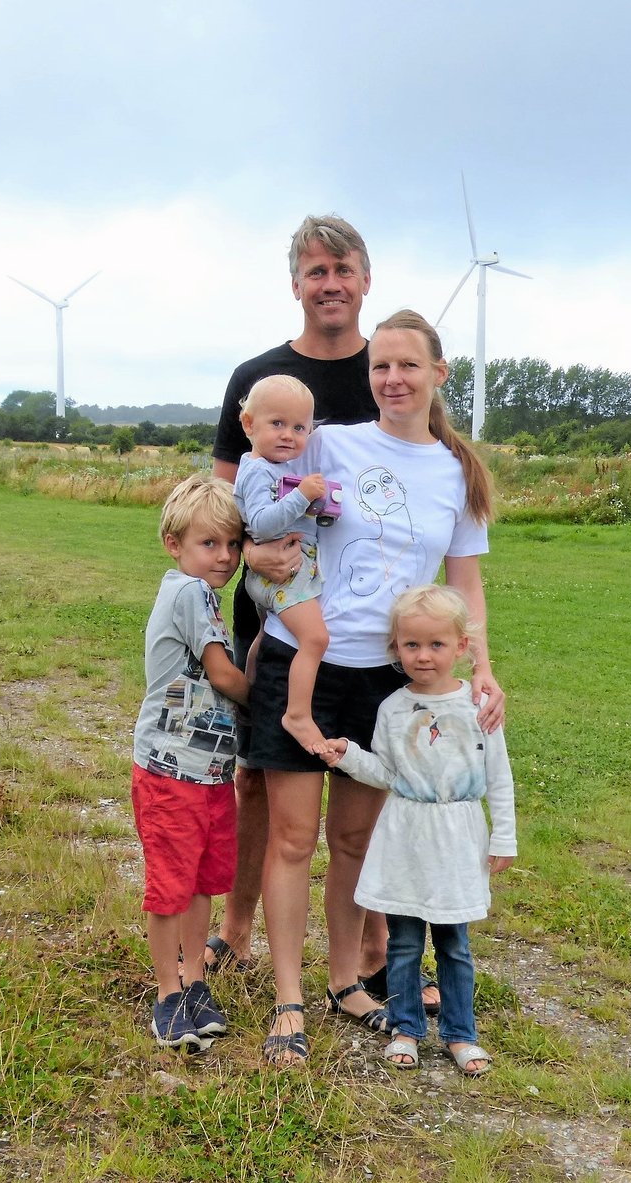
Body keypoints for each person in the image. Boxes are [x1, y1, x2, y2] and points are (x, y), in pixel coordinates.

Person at [253, 308, 504, 1066]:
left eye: (407, 365)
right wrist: (252, 554)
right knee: (292, 837)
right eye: (380, 367)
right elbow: (254, 497)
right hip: (302, 662)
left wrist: (482, 666)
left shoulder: (457, 474)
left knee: (355, 840)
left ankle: (345, 981)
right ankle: (288, 998)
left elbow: (464, 584)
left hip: (388, 683)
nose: (392, 379)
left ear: (438, 374)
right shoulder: (330, 441)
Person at [204, 214, 379, 976]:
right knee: (257, 775)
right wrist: (248, 550)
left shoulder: (389, 372)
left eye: (342, 270)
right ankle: (238, 926)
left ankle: (372, 946)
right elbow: (218, 498)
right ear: (295, 284)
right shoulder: (257, 376)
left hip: (372, 616)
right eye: (316, 271)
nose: (330, 284)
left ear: (366, 279)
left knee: (368, 783)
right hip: (275, 610)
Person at [320, 585, 516, 1077]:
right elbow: (388, 774)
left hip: (457, 838)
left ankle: (460, 1033)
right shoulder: (392, 708)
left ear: (461, 646)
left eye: (436, 644)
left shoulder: (477, 705)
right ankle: (406, 1027)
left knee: (454, 944)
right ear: (396, 647)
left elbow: (498, 775)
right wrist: (350, 756)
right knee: (404, 942)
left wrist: (504, 836)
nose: (423, 656)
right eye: (411, 645)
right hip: (405, 837)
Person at [132, 476, 250, 1052]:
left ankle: (195, 980)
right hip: (170, 770)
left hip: (208, 771)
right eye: (209, 543)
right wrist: (282, 704)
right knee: (171, 886)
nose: (224, 556)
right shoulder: (190, 593)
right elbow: (223, 675)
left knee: (202, 881)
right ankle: (166, 993)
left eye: (233, 544)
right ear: (173, 544)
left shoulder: (201, 595)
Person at [232, 374, 334, 755]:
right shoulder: (259, 470)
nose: (288, 435)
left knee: (266, 635)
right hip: (281, 576)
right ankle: (297, 714)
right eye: (277, 423)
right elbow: (261, 524)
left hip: (276, 574)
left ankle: (250, 694)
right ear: (249, 424)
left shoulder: (270, 467)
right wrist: (302, 495)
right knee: (315, 639)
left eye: (299, 427)